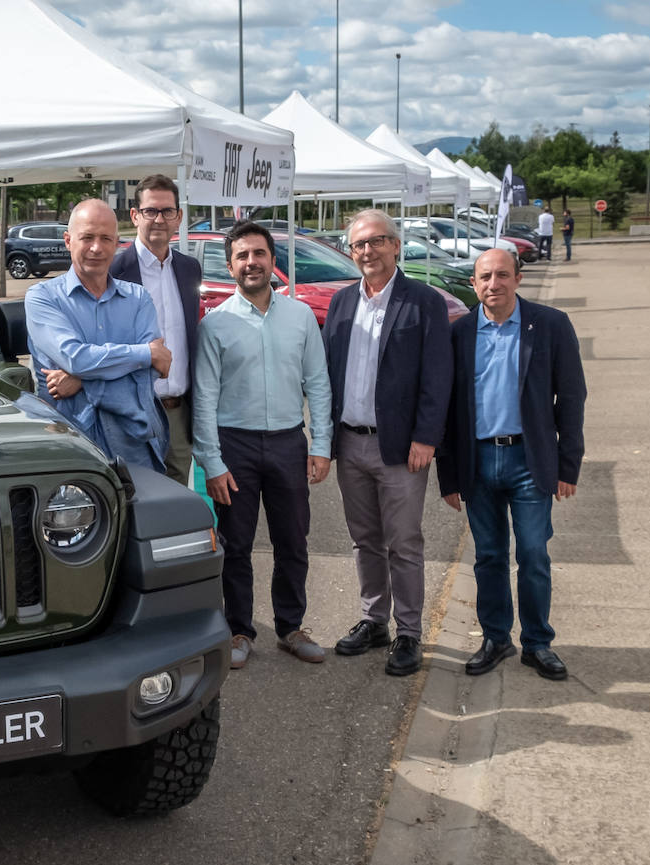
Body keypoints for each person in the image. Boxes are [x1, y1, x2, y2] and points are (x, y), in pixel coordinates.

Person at [437, 248, 586, 680]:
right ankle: (496, 637)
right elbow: (447, 411)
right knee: (488, 556)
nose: (493, 284)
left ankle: (538, 643)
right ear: (474, 283)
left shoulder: (551, 326)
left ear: (518, 279)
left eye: (502, 275)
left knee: (534, 554)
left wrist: (567, 465)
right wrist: (448, 476)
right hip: (478, 462)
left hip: (529, 460)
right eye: (485, 276)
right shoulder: (460, 333)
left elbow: (572, 398)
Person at [192, 220, 332, 668]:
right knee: (236, 544)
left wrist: (321, 443)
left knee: (293, 539)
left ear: (273, 260)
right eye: (242, 256)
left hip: (289, 442)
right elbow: (204, 397)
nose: (251, 262)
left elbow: (319, 383)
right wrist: (211, 462)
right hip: (236, 447)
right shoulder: (215, 324)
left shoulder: (301, 316)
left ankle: (290, 627)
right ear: (230, 266)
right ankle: (239, 631)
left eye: (259, 253)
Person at [323, 209, 452, 676]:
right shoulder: (341, 303)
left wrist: (426, 437)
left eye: (377, 241)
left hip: (400, 448)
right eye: (359, 244)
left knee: (404, 542)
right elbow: (327, 374)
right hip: (350, 443)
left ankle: (410, 632)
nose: (368, 251)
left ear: (396, 245)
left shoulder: (423, 302)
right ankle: (374, 620)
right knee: (365, 540)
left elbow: (439, 377)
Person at [25, 198, 170, 471]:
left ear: (117, 243)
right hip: (73, 451)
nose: (96, 247)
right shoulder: (42, 299)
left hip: (136, 449)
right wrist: (144, 354)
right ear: (68, 240)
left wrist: (83, 382)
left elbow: (146, 377)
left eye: (106, 238)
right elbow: (76, 359)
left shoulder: (138, 298)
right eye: (87, 237)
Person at [109, 173, 202, 485]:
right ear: (135, 216)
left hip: (178, 413)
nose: (159, 219)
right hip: (133, 413)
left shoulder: (189, 269)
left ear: (179, 217)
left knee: (176, 505)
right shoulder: (114, 271)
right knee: (137, 502)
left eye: (167, 211)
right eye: (151, 211)